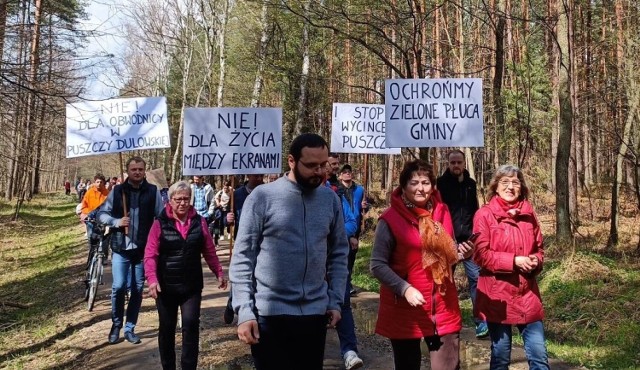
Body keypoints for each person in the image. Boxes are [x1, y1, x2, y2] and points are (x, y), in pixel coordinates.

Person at [229, 133, 349, 370]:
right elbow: (243, 256)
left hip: (315, 315)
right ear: (292, 161)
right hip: (269, 315)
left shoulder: (330, 200)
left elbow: (338, 253)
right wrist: (244, 311)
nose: (319, 172)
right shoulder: (262, 197)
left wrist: (335, 300)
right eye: (311, 165)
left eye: (323, 165)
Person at [370, 159, 473, 370]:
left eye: (425, 182)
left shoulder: (442, 212)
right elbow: (377, 265)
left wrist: (462, 254)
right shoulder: (389, 219)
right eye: (414, 183)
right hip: (406, 309)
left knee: (448, 366)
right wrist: (404, 288)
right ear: (404, 186)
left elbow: (448, 254)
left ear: (433, 186)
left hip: (443, 306)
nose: (420, 188)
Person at [144, 181, 228, 370]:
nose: (182, 203)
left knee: (190, 326)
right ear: (170, 200)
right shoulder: (159, 223)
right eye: (178, 199)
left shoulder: (200, 221)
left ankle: (189, 366)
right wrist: (152, 279)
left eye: (186, 199)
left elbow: (209, 249)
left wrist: (219, 272)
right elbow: (150, 254)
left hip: (191, 286)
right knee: (167, 328)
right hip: (166, 287)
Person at [472, 165, 549, 369]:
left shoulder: (529, 214)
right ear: (495, 187)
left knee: (539, 355)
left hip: (527, 294)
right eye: (505, 182)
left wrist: (535, 261)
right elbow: (480, 255)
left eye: (515, 182)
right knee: (501, 356)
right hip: (497, 296)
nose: (510, 187)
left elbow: (539, 249)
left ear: (521, 187)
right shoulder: (484, 215)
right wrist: (514, 260)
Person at [98, 156, 164, 345]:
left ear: (144, 171)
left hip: (143, 250)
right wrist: (116, 222)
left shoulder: (153, 191)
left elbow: (161, 216)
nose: (137, 172)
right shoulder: (118, 191)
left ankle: (130, 328)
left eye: (140, 169)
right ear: (127, 171)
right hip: (121, 248)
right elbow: (102, 214)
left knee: (136, 289)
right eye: (133, 169)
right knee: (118, 287)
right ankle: (116, 324)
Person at [437, 149, 488, 338]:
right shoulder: (440, 184)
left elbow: (475, 210)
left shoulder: (471, 184)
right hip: (447, 241)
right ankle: (444, 318)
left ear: (464, 163)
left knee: (476, 279)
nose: (456, 166)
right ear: (448, 164)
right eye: (453, 163)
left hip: (468, 241)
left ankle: (481, 322)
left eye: (459, 162)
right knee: (444, 280)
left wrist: (476, 236)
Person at [222, 173, 264, 324]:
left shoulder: (266, 192)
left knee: (256, 276)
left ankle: (254, 309)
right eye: (256, 176)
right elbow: (224, 217)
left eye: (261, 176)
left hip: (262, 242)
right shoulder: (237, 195)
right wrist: (228, 219)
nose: (259, 179)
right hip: (242, 240)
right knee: (240, 273)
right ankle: (231, 302)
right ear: (249, 175)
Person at [79, 174, 110, 240]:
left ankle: (100, 248)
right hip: (91, 220)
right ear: (94, 182)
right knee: (91, 237)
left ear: (104, 183)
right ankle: (92, 249)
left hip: (102, 220)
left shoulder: (107, 193)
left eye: (101, 182)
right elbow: (84, 206)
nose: (99, 184)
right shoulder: (89, 193)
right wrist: (88, 213)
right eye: (97, 182)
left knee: (100, 237)